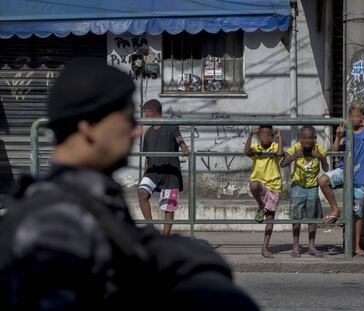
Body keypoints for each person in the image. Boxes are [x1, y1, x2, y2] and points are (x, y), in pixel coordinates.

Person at [0, 58, 258, 310]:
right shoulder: (55, 225)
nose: (136, 131)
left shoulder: (88, 197)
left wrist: (195, 257)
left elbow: (125, 244)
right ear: (89, 127)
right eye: (128, 120)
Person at [319, 102, 364, 257]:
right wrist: (338, 136)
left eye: (358, 116)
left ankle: (356, 246)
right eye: (352, 116)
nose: (355, 119)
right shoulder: (347, 130)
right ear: (348, 117)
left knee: (357, 214)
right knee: (323, 180)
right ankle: (335, 209)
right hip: (344, 171)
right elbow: (334, 152)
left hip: (361, 177)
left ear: (363, 117)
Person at [138, 99, 190, 235]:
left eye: (146, 113)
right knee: (142, 193)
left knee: (169, 207)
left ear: (152, 112)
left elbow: (179, 138)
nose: (144, 117)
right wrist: (145, 174)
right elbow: (147, 158)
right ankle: (151, 228)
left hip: (170, 172)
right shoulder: (148, 134)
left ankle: (164, 238)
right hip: (153, 171)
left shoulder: (170, 125)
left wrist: (184, 146)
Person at [281, 126, 329, 258]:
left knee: (312, 218)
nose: (307, 141)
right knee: (296, 218)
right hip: (298, 186)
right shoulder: (296, 148)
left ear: (315, 138)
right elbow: (283, 163)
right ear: (299, 138)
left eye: (311, 138)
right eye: (304, 138)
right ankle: (295, 246)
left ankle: (311, 246)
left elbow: (326, 168)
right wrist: (294, 156)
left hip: (313, 187)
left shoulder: (319, 148)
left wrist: (321, 157)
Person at [245, 125, 284, 258]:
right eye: (262, 135)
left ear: (272, 137)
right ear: (258, 136)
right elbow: (246, 151)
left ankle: (265, 247)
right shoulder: (256, 148)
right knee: (254, 185)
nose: (264, 137)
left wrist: (280, 137)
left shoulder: (274, 147)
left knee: (269, 217)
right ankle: (261, 205)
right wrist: (250, 134)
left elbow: (279, 154)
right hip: (260, 184)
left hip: (274, 185)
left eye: (268, 135)